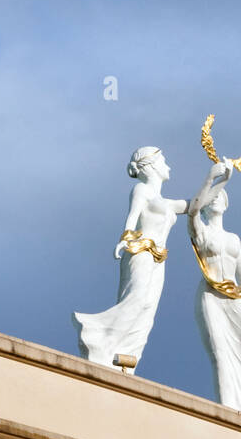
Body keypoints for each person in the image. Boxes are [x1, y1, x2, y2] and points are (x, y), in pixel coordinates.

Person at [73, 147, 186, 368]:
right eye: (164, 160)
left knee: (147, 311)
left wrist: (218, 176)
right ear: (151, 165)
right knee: (136, 300)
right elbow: (132, 217)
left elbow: (196, 204)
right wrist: (125, 239)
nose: (168, 166)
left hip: (158, 259)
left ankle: (126, 359)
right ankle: (96, 337)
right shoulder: (142, 190)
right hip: (140, 252)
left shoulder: (168, 203)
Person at [188, 156, 241, 416]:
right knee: (221, 353)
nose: (216, 199)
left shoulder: (234, 239)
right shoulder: (200, 231)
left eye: (220, 196)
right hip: (211, 297)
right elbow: (192, 210)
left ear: (227, 203)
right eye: (211, 197)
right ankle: (229, 408)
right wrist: (213, 178)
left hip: (235, 299)